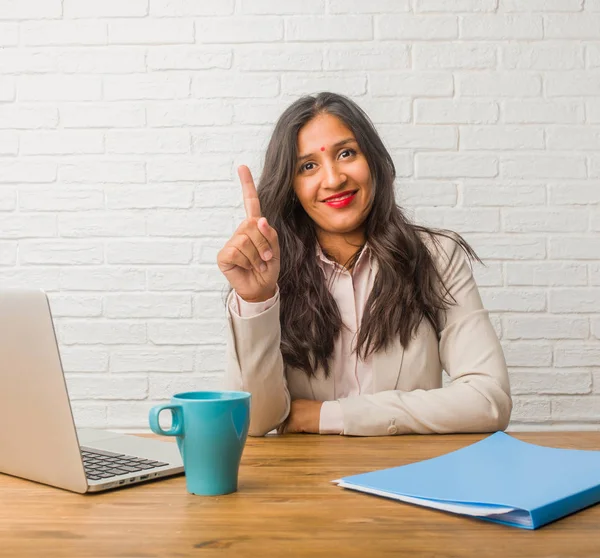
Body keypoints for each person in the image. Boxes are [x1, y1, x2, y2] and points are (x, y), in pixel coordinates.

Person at [217, 92, 512, 437]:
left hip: (408, 474)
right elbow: (256, 421)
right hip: (303, 482)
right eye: (308, 166)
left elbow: (489, 400)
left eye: (346, 153)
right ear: (291, 186)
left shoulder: (437, 257)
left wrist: (330, 416)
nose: (333, 179)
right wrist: (257, 299)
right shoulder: (269, 270)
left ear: (373, 161)